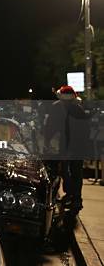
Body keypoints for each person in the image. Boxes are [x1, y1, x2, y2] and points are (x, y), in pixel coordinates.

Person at [44, 85, 91, 215]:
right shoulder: (78, 109)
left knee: (66, 171)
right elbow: (86, 130)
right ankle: (75, 198)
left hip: (68, 146)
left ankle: (72, 196)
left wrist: (47, 141)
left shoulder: (58, 107)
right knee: (75, 173)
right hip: (76, 147)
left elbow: (50, 127)